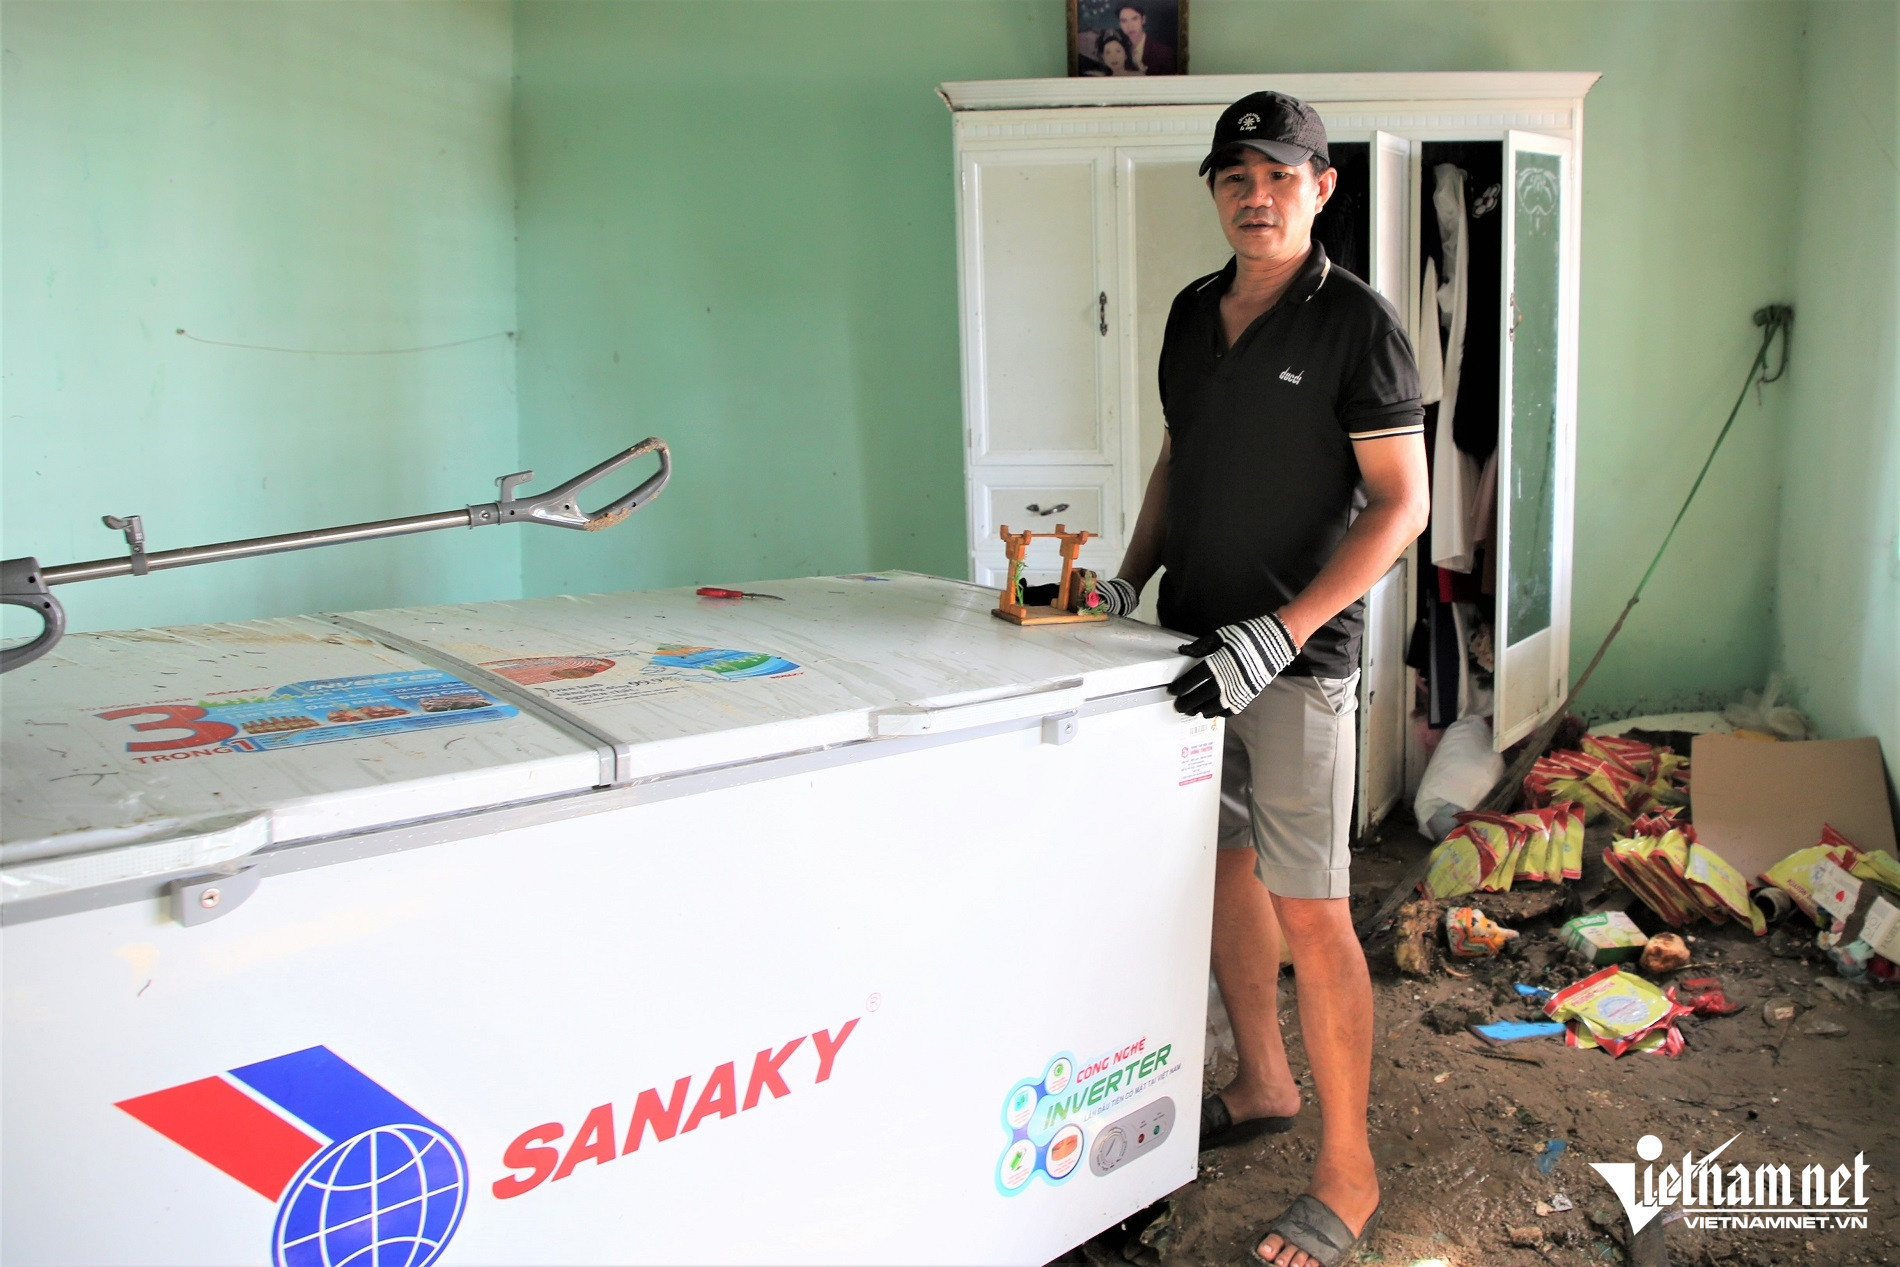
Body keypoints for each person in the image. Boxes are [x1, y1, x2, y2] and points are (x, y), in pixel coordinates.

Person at [1089, 91, 1427, 1267]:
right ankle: (1264, 1080)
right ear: (1218, 191)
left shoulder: (1361, 327)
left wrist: (1283, 632)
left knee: (1312, 905)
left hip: (1294, 665)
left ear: (1321, 187)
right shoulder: (1191, 311)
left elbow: (1401, 506)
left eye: (1280, 175)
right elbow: (1180, 460)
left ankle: (1349, 1172)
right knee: (1227, 873)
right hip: (1188, 655)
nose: (1256, 194)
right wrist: (1129, 580)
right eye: (1235, 176)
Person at [1117, 3, 1175, 75]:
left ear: (1143, 19)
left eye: (1134, 19)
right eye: (1124, 21)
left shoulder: (1163, 52)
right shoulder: (1119, 50)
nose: (1129, 26)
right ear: (1120, 24)